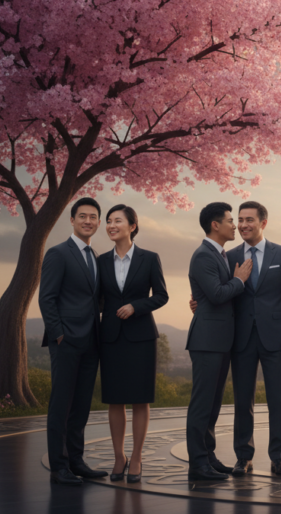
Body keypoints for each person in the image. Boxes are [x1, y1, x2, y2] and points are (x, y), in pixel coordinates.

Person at [224, 201, 281, 477]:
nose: (243, 225)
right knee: (242, 400)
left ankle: (279, 457)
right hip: (241, 338)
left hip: (276, 338)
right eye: (240, 220)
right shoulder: (229, 255)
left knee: (277, 400)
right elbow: (223, 293)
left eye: (249, 220)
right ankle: (243, 457)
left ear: (263, 223)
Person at [38, 198, 108, 485]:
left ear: (98, 222)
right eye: (83, 216)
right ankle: (59, 465)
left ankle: (77, 460)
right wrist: (59, 334)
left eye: (93, 217)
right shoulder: (58, 253)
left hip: (92, 340)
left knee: (81, 404)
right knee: (61, 404)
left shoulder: (94, 256)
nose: (88, 221)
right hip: (66, 340)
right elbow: (47, 298)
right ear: (72, 220)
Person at [97, 204, 168, 483]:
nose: (112, 225)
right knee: (114, 399)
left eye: (118, 221)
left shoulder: (150, 258)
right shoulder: (100, 260)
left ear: (132, 226)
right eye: (109, 221)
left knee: (140, 399)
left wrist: (136, 307)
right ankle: (119, 456)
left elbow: (162, 296)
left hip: (141, 336)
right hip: (111, 336)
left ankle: (136, 456)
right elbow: (96, 298)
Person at [185, 202, 252, 481]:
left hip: (221, 341)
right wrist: (239, 281)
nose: (234, 225)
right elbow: (215, 294)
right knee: (202, 404)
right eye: (229, 220)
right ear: (215, 225)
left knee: (212, 405)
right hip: (207, 340)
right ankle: (197, 464)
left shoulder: (220, 255)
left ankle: (208, 457)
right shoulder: (203, 255)